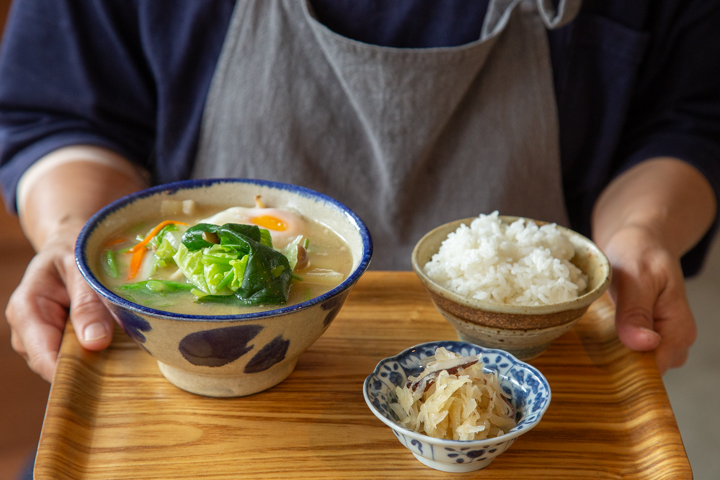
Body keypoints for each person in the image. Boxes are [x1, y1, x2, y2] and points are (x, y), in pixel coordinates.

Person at [1, 0, 718, 386]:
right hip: (181, 373)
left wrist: (642, 231)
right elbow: (62, 112)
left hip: (537, 367)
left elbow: (690, 117)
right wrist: (73, 232)